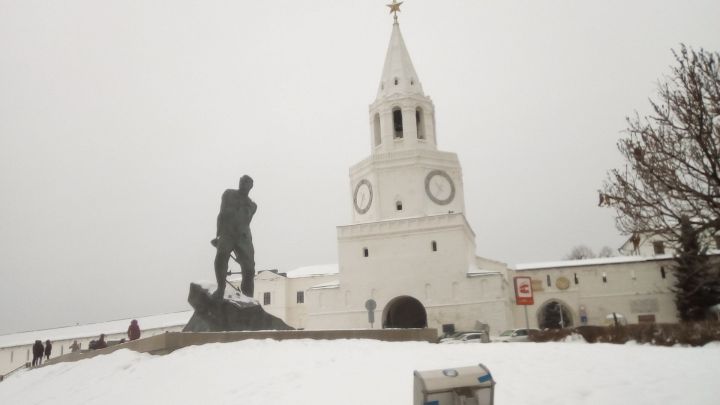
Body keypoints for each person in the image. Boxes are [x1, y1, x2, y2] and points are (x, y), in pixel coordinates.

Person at [212, 175, 257, 299]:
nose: (242, 184)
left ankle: (248, 298)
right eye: (241, 182)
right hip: (228, 233)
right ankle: (221, 288)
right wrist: (218, 235)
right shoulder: (228, 194)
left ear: (250, 186)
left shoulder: (252, 205)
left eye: (246, 183)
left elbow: (246, 221)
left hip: (243, 237)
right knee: (221, 256)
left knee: (249, 269)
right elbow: (221, 214)